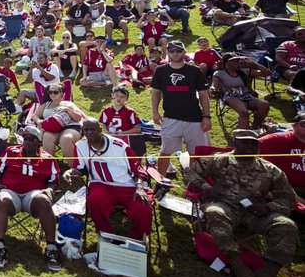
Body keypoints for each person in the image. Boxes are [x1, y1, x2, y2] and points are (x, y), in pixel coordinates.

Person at [186, 129, 298, 277]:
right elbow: (189, 172)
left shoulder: (270, 170)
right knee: (214, 212)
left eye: (254, 143)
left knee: (287, 225)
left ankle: (268, 272)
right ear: (235, 143)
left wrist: (268, 207)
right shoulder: (219, 160)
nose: (251, 146)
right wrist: (207, 188)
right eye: (245, 142)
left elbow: (287, 199)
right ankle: (238, 265)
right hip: (225, 206)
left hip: (254, 213)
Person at [63, 120, 153, 241]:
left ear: (100, 130)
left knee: (143, 206)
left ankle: (138, 242)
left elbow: (137, 170)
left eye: (93, 129)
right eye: (86, 130)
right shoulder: (80, 146)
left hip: (128, 185)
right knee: (95, 199)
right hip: (102, 184)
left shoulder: (119, 146)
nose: (89, 133)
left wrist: (140, 188)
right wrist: (70, 171)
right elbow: (81, 168)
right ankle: (105, 236)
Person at [0, 126, 61, 271]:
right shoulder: (11, 151)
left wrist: (49, 189)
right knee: (2, 199)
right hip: (10, 192)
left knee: (44, 200)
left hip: (33, 195)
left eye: (31, 140)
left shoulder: (48, 159)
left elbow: (54, 180)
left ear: (39, 142)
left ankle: (51, 248)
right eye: (25, 139)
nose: (27, 142)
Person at [151, 40, 211, 176]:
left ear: (184, 52)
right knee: (165, 152)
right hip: (170, 118)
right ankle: (161, 181)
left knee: (195, 154)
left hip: (194, 118)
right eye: (171, 51)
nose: (175, 53)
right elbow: (155, 93)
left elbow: (203, 94)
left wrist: (207, 116)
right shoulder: (161, 71)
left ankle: (195, 182)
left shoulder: (194, 70)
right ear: (167, 53)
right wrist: (155, 112)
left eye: (178, 50)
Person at [212, 53, 270, 130]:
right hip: (231, 96)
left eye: (237, 60)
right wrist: (213, 89)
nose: (236, 63)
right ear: (226, 63)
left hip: (246, 96)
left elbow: (267, 73)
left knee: (264, 104)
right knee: (243, 112)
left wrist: (253, 63)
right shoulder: (219, 73)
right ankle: (244, 135)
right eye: (233, 61)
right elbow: (214, 85)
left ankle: (255, 128)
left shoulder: (243, 71)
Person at [258, 111, 305, 203]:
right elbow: (247, 148)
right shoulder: (280, 139)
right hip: (282, 189)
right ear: (294, 126)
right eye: (304, 124)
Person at [30, 83, 85, 159]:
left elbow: (78, 118)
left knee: (65, 139)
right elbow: (34, 116)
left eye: (55, 92)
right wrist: (39, 121)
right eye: (50, 92)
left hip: (69, 127)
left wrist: (67, 109)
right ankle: (50, 163)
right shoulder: (46, 105)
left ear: (61, 93)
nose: (52, 94)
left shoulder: (68, 104)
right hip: (51, 128)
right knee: (47, 137)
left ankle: (73, 166)